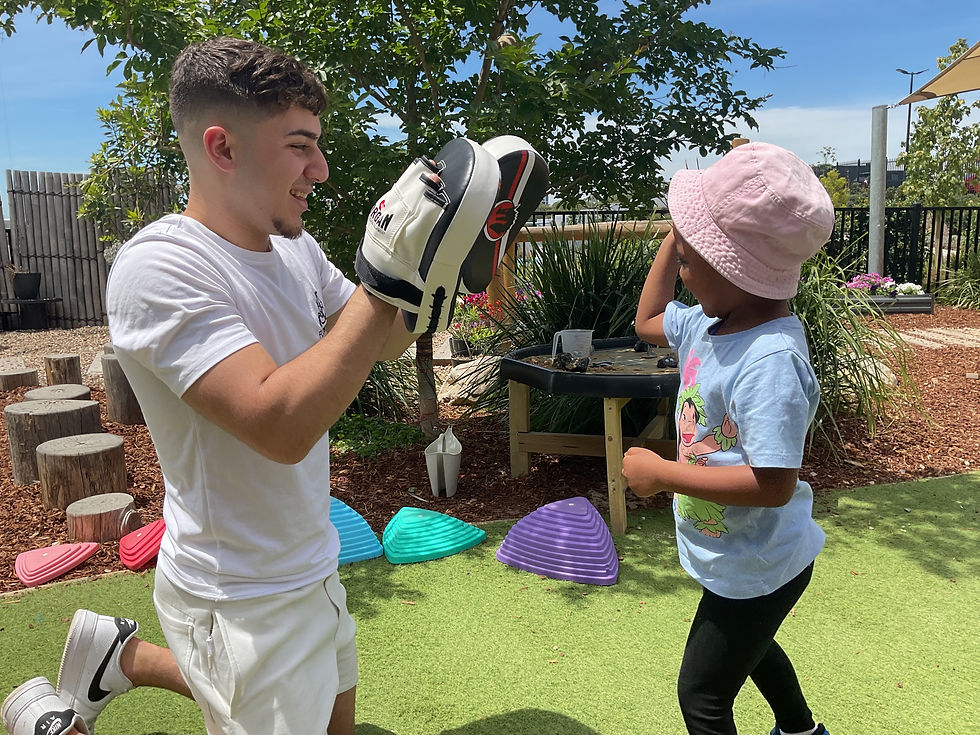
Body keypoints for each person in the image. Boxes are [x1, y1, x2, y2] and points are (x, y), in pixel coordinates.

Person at [2, 36, 476, 735]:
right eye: (299, 145)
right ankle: (82, 694)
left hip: (310, 561)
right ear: (222, 148)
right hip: (239, 596)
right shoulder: (159, 267)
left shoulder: (295, 248)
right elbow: (278, 425)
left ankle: (117, 655)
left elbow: (374, 341)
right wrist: (386, 276)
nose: (319, 167)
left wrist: (435, 274)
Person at [622, 142, 834, 735]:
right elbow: (647, 320)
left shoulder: (770, 359)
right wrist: (679, 237)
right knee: (754, 650)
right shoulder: (706, 324)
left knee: (703, 696)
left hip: (761, 560)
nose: (682, 269)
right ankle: (803, 732)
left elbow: (772, 485)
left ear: (735, 270)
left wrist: (663, 475)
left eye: (690, 260)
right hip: (738, 555)